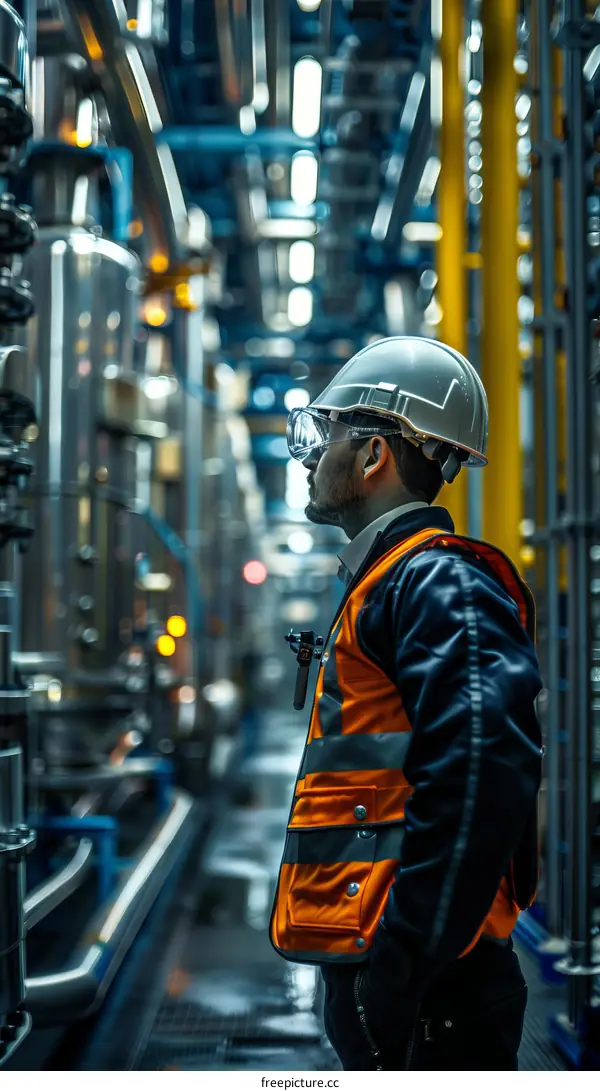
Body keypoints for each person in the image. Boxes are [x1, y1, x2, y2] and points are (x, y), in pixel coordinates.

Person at [269, 336, 543, 1071]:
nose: (308, 454)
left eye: (323, 434)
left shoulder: (435, 585)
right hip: (410, 986)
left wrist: (397, 968)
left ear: (372, 456)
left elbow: (483, 773)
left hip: (433, 995)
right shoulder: (391, 583)